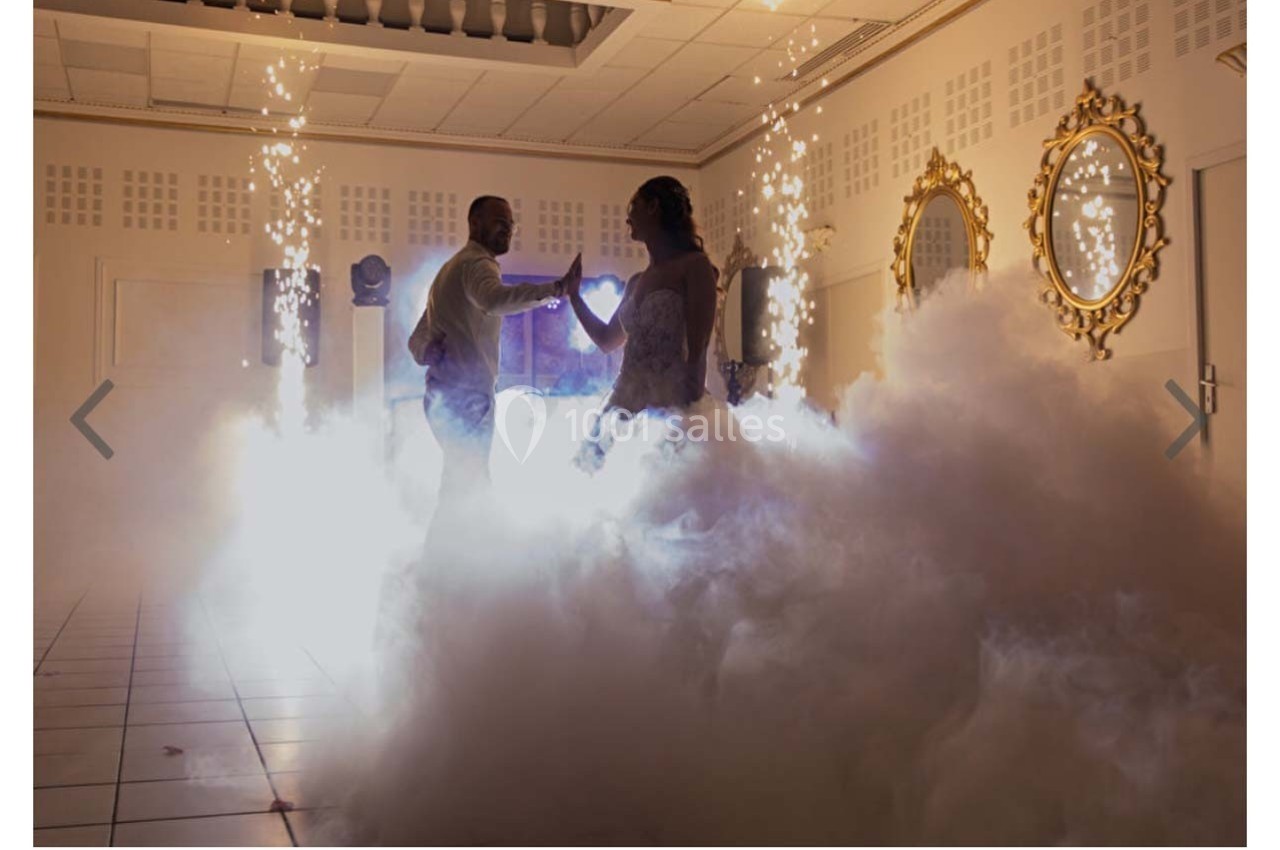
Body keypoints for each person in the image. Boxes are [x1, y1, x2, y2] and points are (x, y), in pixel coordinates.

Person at [408, 195, 582, 497]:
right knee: (469, 486)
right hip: (467, 396)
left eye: (511, 224)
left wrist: (427, 351)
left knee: (461, 482)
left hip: (442, 395)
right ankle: (460, 543)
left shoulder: (449, 270)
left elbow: (416, 339)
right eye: (500, 222)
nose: (508, 230)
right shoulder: (478, 263)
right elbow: (495, 299)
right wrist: (558, 288)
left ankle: (453, 543)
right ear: (475, 223)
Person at [565, 176, 719, 466]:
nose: (628, 217)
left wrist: (690, 417)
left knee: (661, 486)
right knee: (588, 468)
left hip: (670, 400)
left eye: (633, 206)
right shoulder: (636, 282)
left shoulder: (694, 266)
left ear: (653, 208)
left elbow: (699, 347)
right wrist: (574, 296)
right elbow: (607, 340)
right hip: (625, 398)